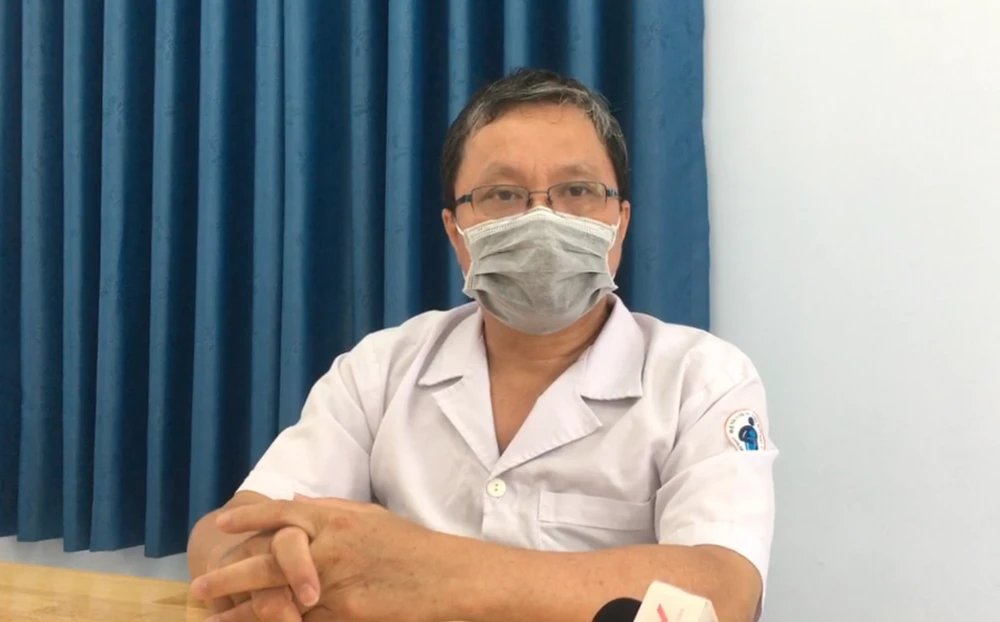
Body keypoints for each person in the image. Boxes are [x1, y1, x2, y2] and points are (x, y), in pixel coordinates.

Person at [187, 68, 777, 622]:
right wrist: (269, 564)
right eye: (502, 195)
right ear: (456, 231)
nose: (543, 219)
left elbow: (723, 590)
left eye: (576, 189)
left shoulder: (701, 379)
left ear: (620, 222)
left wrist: (427, 573)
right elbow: (227, 532)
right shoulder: (381, 368)